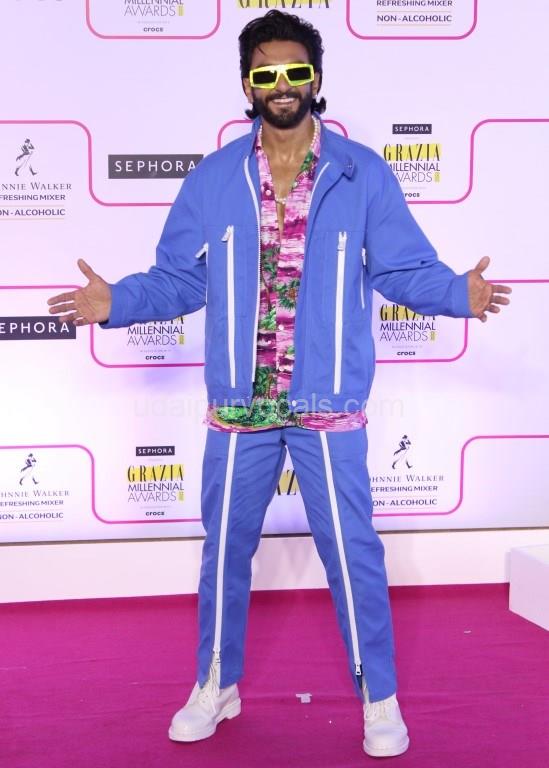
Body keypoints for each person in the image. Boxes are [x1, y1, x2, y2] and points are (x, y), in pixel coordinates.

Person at [47, 10, 511, 758]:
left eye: (296, 70)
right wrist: (117, 303)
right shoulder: (213, 178)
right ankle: (216, 684)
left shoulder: (360, 172)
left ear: (315, 78)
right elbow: (179, 279)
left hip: (327, 406)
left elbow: (400, 268)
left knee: (352, 554)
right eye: (266, 73)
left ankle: (379, 698)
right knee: (224, 555)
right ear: (247, 85)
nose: (282, 84)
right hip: (239, 407)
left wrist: (458, 293)